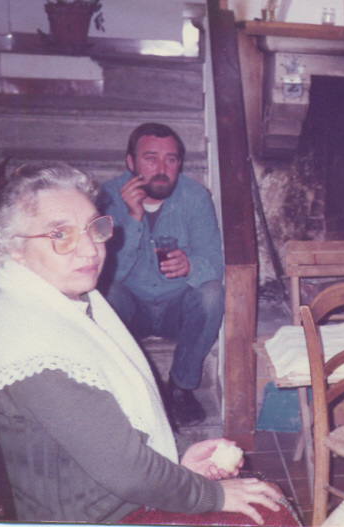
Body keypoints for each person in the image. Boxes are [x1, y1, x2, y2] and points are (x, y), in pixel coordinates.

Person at [0, 161, 281, 524]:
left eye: (94, 229)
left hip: (114, 496)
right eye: (60, 235)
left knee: (265, 503)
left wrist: (180, 454)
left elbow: (115, 427)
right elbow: (127, 471)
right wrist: (213, 495)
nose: (90, 250)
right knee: (267, 515)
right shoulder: (30, 338)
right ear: (13, 247)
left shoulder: (67, 301)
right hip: (90, 516)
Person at [98, 123, 225, 427]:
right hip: (131, 311)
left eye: (171, 160)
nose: (161, 168)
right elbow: (107, 272)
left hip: (176, 311)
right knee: (107, 293)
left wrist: (191, 266)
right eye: (151, 158)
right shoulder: (106, 197)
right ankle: (121, 387)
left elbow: (215, 263)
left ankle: (181, 386)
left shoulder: (194, 197)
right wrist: (133, 218)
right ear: (131, 162)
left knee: (211, 293)